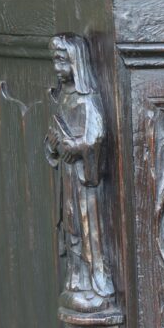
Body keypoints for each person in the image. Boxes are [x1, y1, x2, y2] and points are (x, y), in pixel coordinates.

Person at [45, 34, 114, 312]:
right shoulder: (64, 98)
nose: (57, 67)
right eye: (55, 61)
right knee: (70, 227)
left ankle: (95, 284)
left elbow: (96, 138)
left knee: (86, 229)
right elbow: (54, 134)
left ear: (77, 62)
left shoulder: (88, 100)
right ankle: (77, 281)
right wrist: (52, 146)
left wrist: (76, 147)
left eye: (62, 60)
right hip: (68, 177)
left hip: (84, 182)